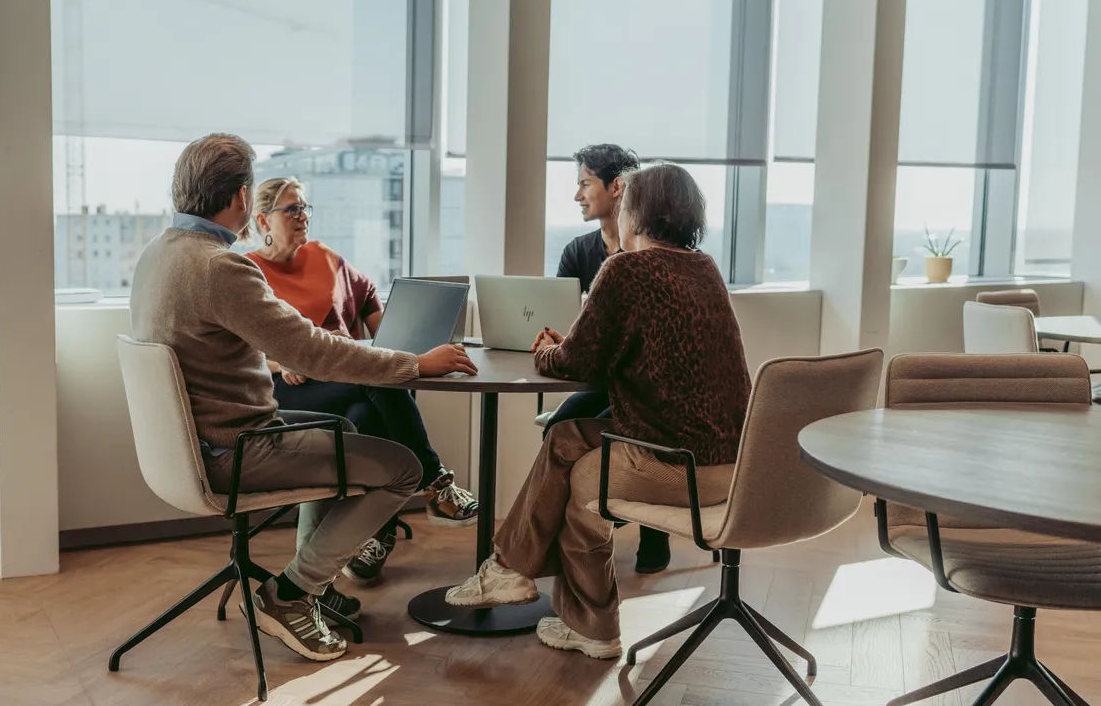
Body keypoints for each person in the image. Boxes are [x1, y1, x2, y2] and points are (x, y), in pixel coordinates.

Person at [130, 133, 476, 663]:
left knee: (345, 432)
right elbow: (312, 351)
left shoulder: (157, 255)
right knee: (403, 468)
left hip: (192, 446)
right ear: (244, 200)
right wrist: (415, 364)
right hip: (238, 451)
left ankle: (314, 577)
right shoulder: (220, 267)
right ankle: (291, 593)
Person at [445, 163, 751, 660]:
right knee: (577, 458)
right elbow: (648, 353)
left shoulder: (626, 269)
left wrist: (547, 351)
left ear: (636, 212)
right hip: (733, 463)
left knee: (576, 459)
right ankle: (581, 622)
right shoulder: (705, 267)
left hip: (676, 465)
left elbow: (573, 363)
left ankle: (513, 574)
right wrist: (579, 347)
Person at [245, 177, 480, 585]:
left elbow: (369, 297)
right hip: (293, 388)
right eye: (292, 209)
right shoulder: (249, 271)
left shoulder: (323, 257)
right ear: (264, 219)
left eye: (304, 207)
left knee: (363, 412)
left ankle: (376, 531)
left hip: (344, 378)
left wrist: (391, 339)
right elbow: (243, 348)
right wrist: (282, 362)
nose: (302, 216)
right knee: (378, 383)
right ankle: (435, 483)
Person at [550, 143, 672, 575]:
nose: (577, 195)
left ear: (616, 187)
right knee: (558, 427)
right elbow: (571, 325)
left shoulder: (651, 255)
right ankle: (595, 519)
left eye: (585, 183)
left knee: (632, 429)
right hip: (597, 374)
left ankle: (650, 526)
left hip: (640, 381)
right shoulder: (577, 253)